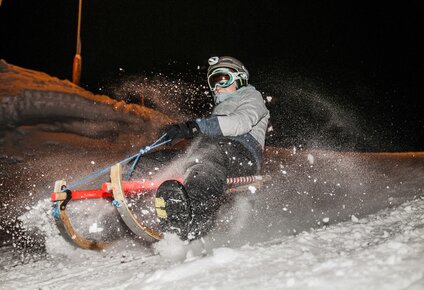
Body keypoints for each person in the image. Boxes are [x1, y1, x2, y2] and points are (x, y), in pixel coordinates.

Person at [155, 56, 270, 240]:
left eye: (222, 79)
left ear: (239, 78)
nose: (217, 87)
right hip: (215, 153)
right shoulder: (221, 107)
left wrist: (193, 127)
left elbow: (240, 123)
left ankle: (195, 216)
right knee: (162, 160)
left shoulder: (251, 96)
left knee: (209, 154)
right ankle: (119, 212)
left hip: (242, 154)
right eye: (213, 82)